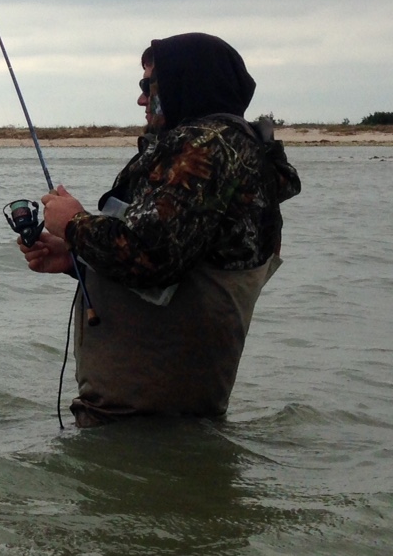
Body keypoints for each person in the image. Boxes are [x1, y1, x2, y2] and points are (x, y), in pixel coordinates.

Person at [18, 33, 301, 426]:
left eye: (147, 85)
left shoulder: (203, 148)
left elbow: (151, 256)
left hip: (138, 422)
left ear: (185, 83)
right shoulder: (236, 147)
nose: (140, 99)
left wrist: (73, 224)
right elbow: (183, 259)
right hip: (173, 416)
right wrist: (74, 259)